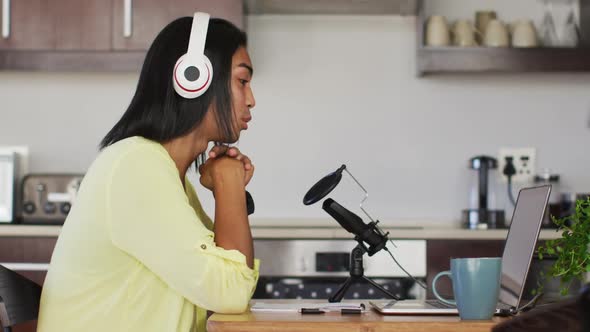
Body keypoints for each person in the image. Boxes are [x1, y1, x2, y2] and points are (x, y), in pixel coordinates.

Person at [38, 13, 257, 332]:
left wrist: (228, 182)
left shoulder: (165, 173)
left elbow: (229, 281)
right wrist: (229, 183)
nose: (251, 100)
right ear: (193, 77)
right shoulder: (136, 166)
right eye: (242, 81)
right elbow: (231, 292)